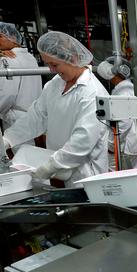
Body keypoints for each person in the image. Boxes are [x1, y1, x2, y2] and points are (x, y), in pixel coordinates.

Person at [3, 31, 110, 187]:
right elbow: (36, 117)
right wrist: (8, 139)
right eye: (48, 64)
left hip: (85, 177)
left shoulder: (93, 92)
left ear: (72, 59)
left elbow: (83, 140)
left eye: (54, 64)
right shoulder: (55, 84)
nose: (51, 70)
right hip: (58, 170)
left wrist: (50, 166)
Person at [0, 22, 42, 153]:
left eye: (0, 37)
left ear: (11, 38)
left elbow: (7, 93)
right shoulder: (30, 57)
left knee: (21, 157)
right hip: (33, 113)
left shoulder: (7, 59)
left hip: (15, 116)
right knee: (29, 153)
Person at [97, 55, 137, 170]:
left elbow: (123, 123)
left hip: (128, 144)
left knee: (131, 174)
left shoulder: (123, 93)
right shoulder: (126, 89)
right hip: (132, 142)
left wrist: (111, 145)